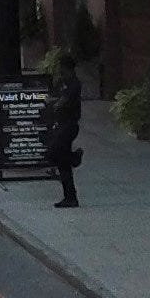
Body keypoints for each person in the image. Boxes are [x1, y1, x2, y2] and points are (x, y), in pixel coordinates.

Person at [42, 70, 85, 209]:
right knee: (62, 162)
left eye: (62, 69)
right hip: (63, 125)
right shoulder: (65, 84)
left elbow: (61, 102)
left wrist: (53, 103)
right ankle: (70, 196)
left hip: (68, 126)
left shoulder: (73, 85)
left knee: (57, 155)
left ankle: (73, 158)